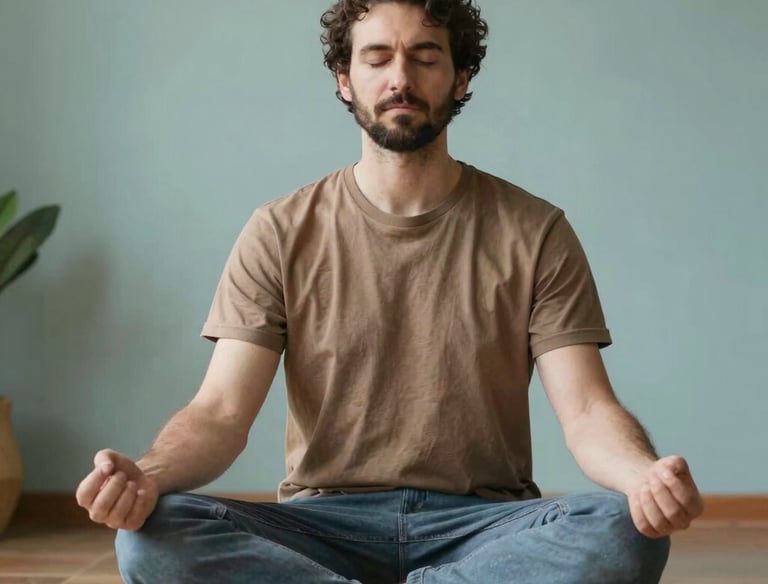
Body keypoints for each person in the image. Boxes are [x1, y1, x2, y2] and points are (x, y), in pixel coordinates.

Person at [76, 1, 704, 582]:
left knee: (624, 529)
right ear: (344, 80)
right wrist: (146, 477)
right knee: (152, 533)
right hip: (322, 522)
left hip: (481, 525)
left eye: (425, 57)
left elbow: (589, 412)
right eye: (376, 58)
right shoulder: (279, 230)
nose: (399, 77)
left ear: (460, 79)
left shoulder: (535, 230)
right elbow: (219, 413)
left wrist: (642, 478)